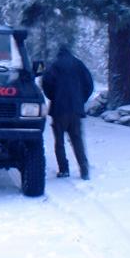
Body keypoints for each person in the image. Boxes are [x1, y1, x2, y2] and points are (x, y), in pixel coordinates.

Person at [42, 44, 94, 180]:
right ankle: (84, 169)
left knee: (59, 141)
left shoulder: (54, 66)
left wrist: (54, 97)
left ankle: (64, 169)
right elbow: (89, 84)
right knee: (77, 139)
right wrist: (81, 100)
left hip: (59, 110)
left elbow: (45, 84)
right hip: (76, 110)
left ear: (59, 53)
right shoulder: (79, 64)